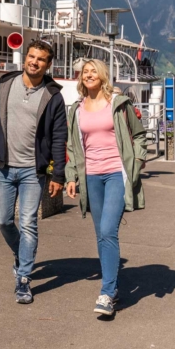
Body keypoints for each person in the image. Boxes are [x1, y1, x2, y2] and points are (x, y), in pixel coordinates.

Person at [0, 39, 67, 305]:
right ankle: (22, 255)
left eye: (41, 59)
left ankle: (23, 279)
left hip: (32, 172)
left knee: (28, 224)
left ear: (48, 64)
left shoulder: (53, 96)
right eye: (31, 56)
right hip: (3, 167)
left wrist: (58, 175)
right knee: (2, 221)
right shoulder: (4, 86)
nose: (34, 62)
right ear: (25, 58)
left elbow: (59, 138)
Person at [62, 59, 147, 316]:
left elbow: (139, 134)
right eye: (84, 72)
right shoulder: (76, 109)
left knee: (109, 230)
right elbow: (72, 146)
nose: (88, 75)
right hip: (91, 177)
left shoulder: (119, 105)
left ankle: (108, 292)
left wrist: (139, 160)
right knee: (101, 234)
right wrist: (70, 177)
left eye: (93, 71)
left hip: (116, 174)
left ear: (102, 76)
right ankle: (113, 285)